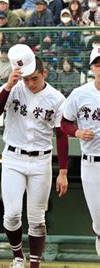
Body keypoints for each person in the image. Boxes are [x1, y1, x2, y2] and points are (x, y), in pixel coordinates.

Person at [0, 44, 69, 268]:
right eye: (27, 79)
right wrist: (8, 85)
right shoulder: (14, 88)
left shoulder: (56, 98)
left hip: (41, 160)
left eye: (34, 78)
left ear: (44, 73)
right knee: (12, 214)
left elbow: (61, 135)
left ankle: (34, 263)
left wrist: (62, 171)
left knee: (37, 219)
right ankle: (17, 256)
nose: (30, 83)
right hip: (13, 157)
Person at [61, 48, 100, 256]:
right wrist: (77, 132)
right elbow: (64, 122)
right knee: (99, 223)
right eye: (98, 63)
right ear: (92, 67)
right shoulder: (80, 94)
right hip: (91, 163)